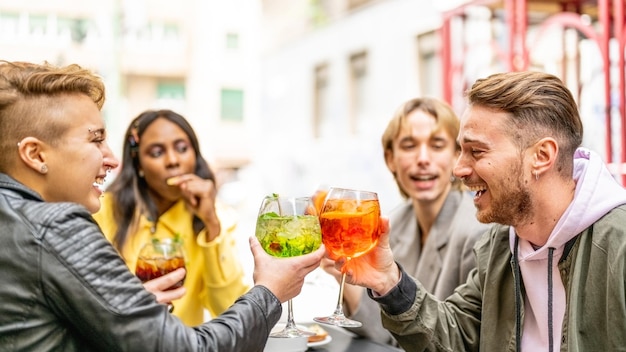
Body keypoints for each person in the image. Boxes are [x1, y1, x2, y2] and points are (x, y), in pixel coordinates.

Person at [0, 60, 324, 351]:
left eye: (181, 148)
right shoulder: (65, 224)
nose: (111, 160)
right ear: (36, 155)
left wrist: (124, 312)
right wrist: (270, 290)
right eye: (95, 139)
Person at [335, 71, 626, 351]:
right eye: (460, 150)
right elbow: (457, 336)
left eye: (477, 151)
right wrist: (389, 282)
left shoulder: (618, 245)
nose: (458, 169)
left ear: (541, 156)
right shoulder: (501, 243)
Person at [321, 97, 491, 345]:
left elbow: (452, 340)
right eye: (409, 145)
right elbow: (391, 334)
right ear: (391, 159)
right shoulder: (394, 223)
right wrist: (344, 276)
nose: (423, 159)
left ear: (457, 156)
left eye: (437, 145)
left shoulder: (476, 233)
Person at [92, 109, 249, 325]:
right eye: (157, 152)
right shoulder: (101, 211)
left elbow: (230, 310)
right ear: (138, 165)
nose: (173, 160)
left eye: (182, 149)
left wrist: (211, 225)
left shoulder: (219, 217)